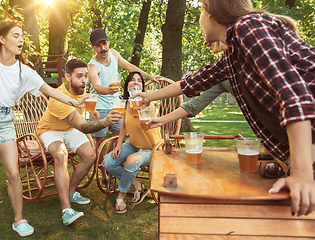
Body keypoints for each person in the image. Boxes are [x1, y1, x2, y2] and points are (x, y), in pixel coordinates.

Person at [133, 0, 315, 217]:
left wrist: (302, 174)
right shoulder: (232, 56)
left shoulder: (247, 26)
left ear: (209, 11)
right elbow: (190, 84)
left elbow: (295, 95)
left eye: (199, 11)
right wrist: (148, 96)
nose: (199, 21)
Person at [0, 20, 87, 238]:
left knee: (14, 173)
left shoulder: (23, 71)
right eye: (16, 35)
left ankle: (19, 219)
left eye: (22, 36)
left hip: (4, 119)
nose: (21, 39)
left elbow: (49, 90)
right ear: (2, 39)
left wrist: (74, 102)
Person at [36, 58, 122, 225]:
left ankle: (70, 191)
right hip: (50, 130)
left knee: (90, 156)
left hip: (69, 129)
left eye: (86, 76)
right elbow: (82, 126)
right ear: (67, 77)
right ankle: (66, 210)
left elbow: (81, 109)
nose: (84, 80)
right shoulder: (57, 98)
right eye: (79, 76)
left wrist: (94, 110)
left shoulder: (81, 89)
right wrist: (104, 122)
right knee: (61, 156)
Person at [87, 29, 161, 188]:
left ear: (108, 42)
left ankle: (116, 167)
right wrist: (108, 90)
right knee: (100, 144)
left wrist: (149, 76)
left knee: (115, 140)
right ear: (93, 47)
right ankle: (104, 172)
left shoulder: (114, 54)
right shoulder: (92, 66)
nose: (103, 48)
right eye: (98, 46)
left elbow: (130, 67)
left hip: (118, 105)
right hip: (100, 108)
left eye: (104, 43)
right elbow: (97, 86)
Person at [101, 71, 162, 213]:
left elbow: (148, 109)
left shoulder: (148, 102)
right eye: (132, 80)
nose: (136, 82)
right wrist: (118, 143)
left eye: (139, 80)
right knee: (107, 163)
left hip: (152, 148)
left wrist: (143, 108)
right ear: (127, 85)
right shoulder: (126, 103)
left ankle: (121, 195)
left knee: (131, 161)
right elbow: (124, 125)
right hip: (133, 144)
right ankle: (137, 185)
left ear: (142, 87)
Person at [148, 41, 233, 129]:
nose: (205, 42)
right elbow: (193, 105)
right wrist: (161, 120)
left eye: (205, 31)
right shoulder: (220, 72)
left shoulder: (245, 50)